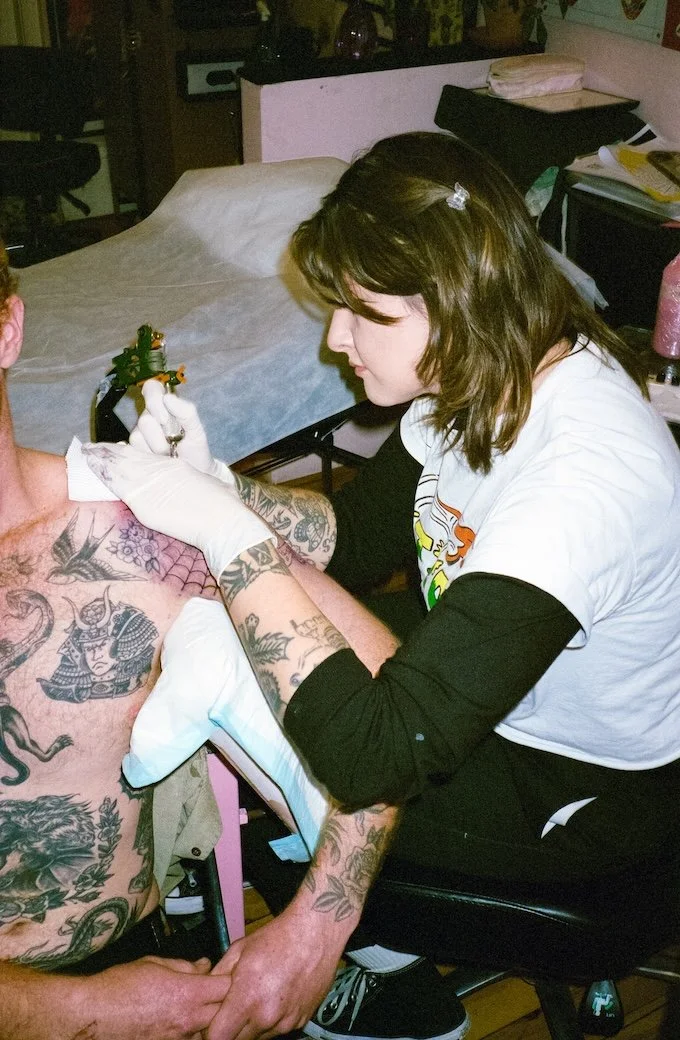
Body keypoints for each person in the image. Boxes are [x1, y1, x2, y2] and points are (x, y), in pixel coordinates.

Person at [84, 131, 680, 1040]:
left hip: (570, 786)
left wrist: (228, 530)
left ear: (461, 301)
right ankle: (385, 948)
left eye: (366, 313)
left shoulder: (585, 477)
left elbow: (377, 757)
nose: (335, 338)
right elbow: (353, 539)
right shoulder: (479, 370)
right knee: (222, 609)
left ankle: (365, 956)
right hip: (493, 682)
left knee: (250, 656)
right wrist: (216, 482)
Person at [0, 245, 239, 1040]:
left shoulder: (119, 520)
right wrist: (87, 1011)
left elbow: (379, 682)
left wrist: (317, 929)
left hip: (137, 966)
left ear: (7, 328)